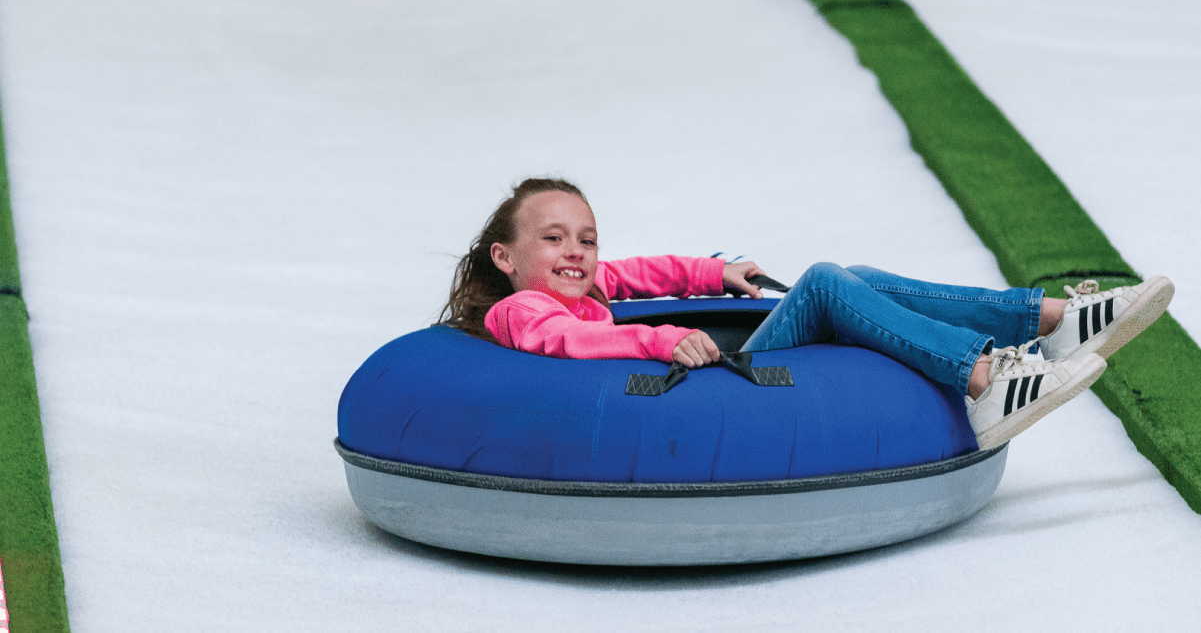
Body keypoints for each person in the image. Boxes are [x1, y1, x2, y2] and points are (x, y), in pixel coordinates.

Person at [439, 177, 1174, 450]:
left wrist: (714, 272)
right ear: (506, 257)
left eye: (587, 238)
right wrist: (663, 337)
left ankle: (1047, 318)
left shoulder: (590, 283)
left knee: (851, 276)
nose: (576, 251)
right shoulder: (522, 311)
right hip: (716, 382)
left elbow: (645, 273)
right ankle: (982, 376)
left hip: (720, 366)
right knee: (825, 281)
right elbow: (567, 341)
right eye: (553, 238)